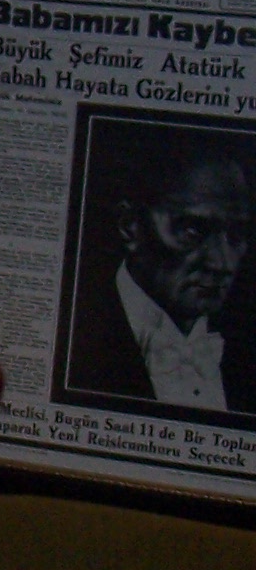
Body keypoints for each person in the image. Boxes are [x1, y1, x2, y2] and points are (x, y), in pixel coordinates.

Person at [64, 133, 255, 412]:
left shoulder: (244, 348)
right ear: (130, 226)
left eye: (236, 235)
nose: (223, 263)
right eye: (192, 230)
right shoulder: (74, 334)